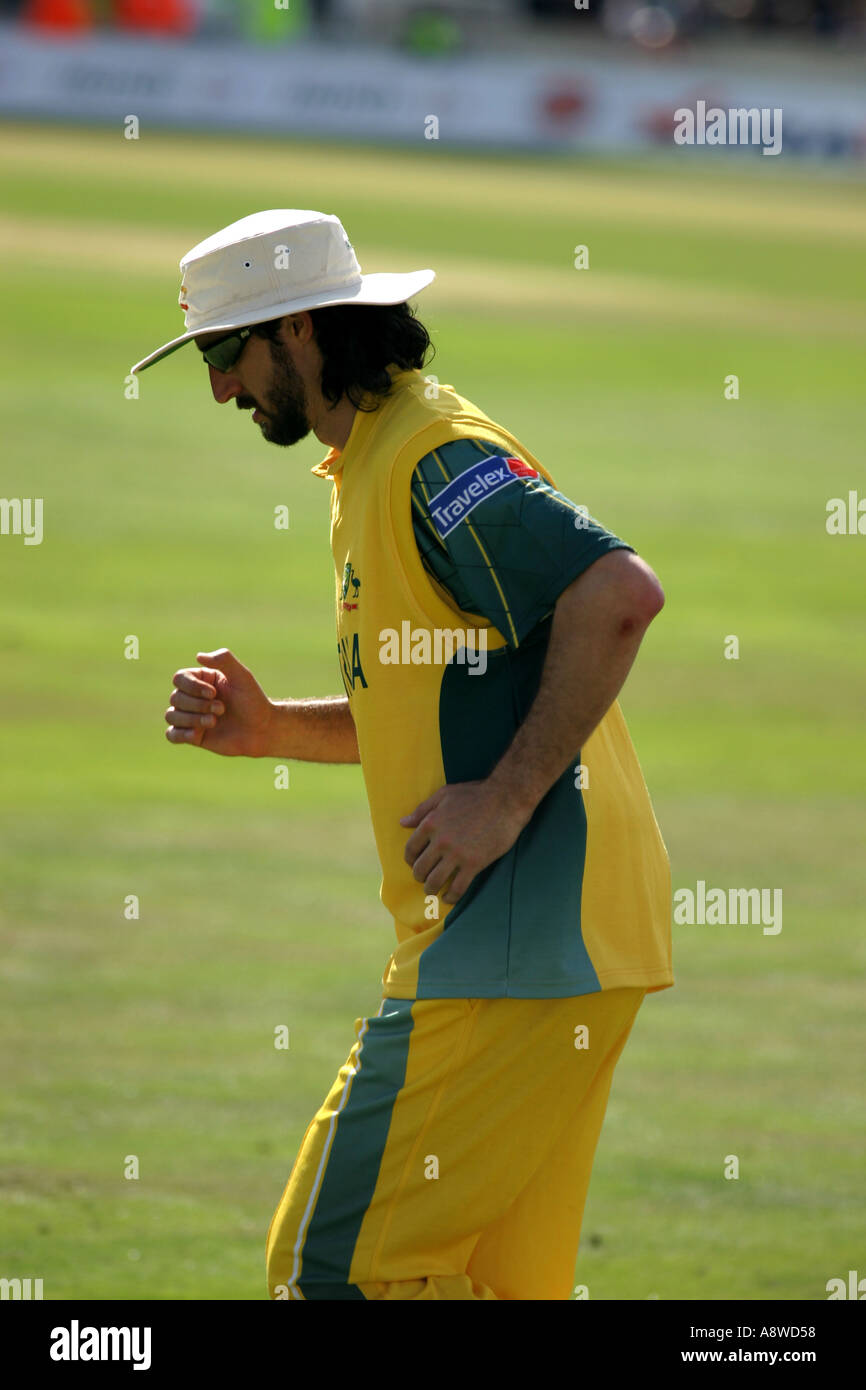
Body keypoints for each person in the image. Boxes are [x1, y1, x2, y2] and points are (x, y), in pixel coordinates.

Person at [131, 208, 674, 1301]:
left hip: (515, 948)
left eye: (222, 352)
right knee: (485, 1283)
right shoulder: (373, 459)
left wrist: (506, 801)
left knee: (334, 1269)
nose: (220, 390)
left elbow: (617, 595)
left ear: (297, 330)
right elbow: (448, 693)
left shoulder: (430, 459)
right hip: (562, 954)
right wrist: (277, 730)